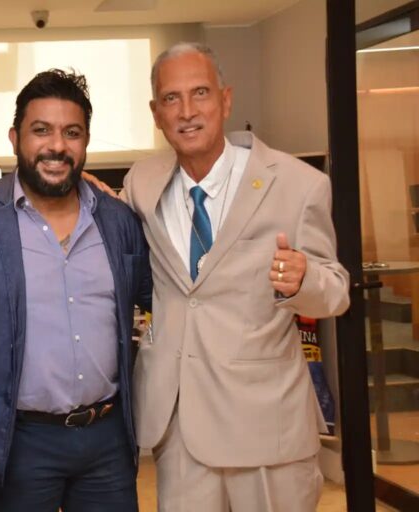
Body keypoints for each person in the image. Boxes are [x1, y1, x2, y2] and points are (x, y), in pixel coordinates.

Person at [122, 42, 350, 511]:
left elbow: (336, 291)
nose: (187, 111)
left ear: (225, 100)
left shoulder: (298, 183)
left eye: (200, 93)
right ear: (156, 113)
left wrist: (303, 281)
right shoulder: (141, 183)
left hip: (265, 427)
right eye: (171, 98)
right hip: (179, 428)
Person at [0, 69, 152, 512]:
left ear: (86, 142)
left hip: (107, 441)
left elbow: (163, 299)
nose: (57, 146)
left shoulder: (118, 221)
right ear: (15, 138)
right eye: (41, 130)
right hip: (17, 444)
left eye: (71, 133)